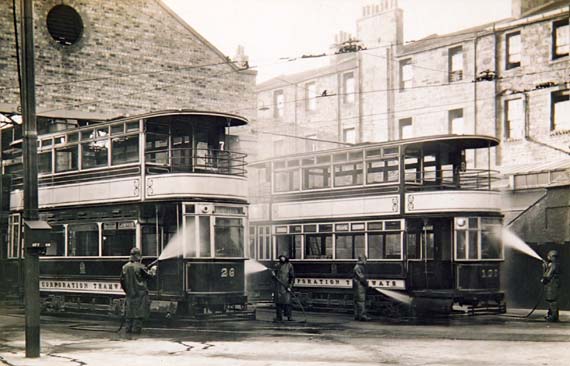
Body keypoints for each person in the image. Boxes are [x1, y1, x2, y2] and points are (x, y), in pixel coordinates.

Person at [120, 247, 156, 334]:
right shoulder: (140, 267)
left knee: (129, 316)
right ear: (137, 256)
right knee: (138, 316)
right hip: (140, 294)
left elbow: (122, 281)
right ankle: (135, 336)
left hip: (130, 294)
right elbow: (149, 276)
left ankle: (128, 332)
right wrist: (153, 270)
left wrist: (128, 291)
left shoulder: (124, 267)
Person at [273, 254, 295, 322]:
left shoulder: (289, 265)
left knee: (287, 303)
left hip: (286, 287)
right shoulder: (277, 265)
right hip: (278, 287)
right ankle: (279, 317)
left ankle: (289, 317)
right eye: (281, 257)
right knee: (278, 303)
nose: (282, 259)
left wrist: (290, 286)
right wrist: (273, 275)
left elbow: (292, 277)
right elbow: (273, 276)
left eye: (284, 257)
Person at [542, 250, 560, 322]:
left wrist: (544, 268)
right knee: (552, 301)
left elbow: (547, 276)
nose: (548, 257)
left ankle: (553, 317)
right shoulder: (556, 264)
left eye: (549, 256)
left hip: (552, 285)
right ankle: (551, 315)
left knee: (552, 301)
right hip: (554, 285)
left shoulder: (553, 265)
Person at [353, 255, 370, 321]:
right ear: (362, 260)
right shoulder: (358, 267)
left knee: (357, 301)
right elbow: (361, 277)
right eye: (365, 259)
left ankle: (357, 316)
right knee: (361, 300)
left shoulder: (357, 266)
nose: (366, 261)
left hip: (357, 285)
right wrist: (366, 284)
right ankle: (362, 316)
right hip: (359, 286)